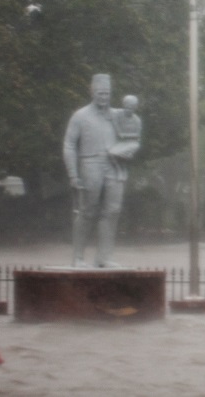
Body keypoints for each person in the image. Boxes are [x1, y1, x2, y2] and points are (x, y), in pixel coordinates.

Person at [63, 74, 128, 268]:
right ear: (92, 92)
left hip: (114, 164)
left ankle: (104, 257)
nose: (103, 97)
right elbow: (69, 144)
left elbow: (132, 135)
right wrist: (73, 174)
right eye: (100, 93)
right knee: (87, 211)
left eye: (107, 93)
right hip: (90, 163)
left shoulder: (117, 115)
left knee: (113, 210)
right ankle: (78, 257)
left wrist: (127, 151)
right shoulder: (80, 116)